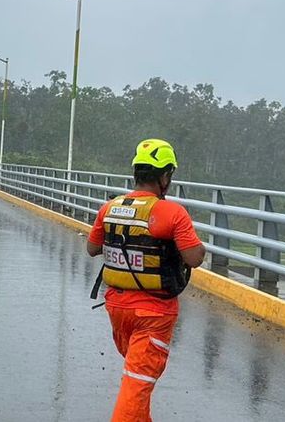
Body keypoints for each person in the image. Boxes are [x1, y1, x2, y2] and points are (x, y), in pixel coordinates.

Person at [86, 138, 206, 422]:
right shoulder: (171, 212)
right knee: (136, 385)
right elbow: (194, 258)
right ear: (165, 176)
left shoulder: (110, 207)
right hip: (153, 315)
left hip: (117, 311)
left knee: (138, 379)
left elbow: (92, 248)